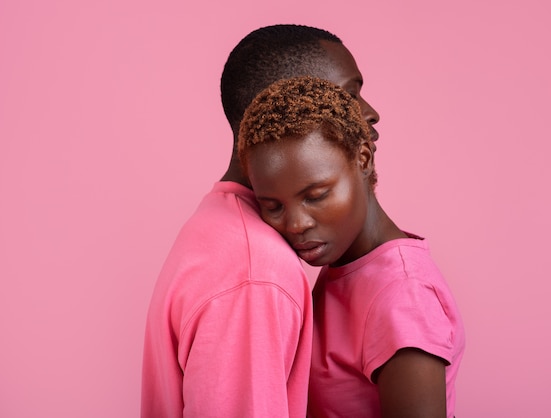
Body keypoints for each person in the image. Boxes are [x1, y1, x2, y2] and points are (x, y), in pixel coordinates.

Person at [141, 25, 380, 417]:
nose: (370, 113)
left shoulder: (217, 227)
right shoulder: (254, 271)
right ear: (287, 106)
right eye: (349, 95)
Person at [238, 76, 465, 418]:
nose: (296, 224)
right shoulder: (344, 262)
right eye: (273, 206)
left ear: (362, 158)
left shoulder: (403, 295)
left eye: (316, 196)